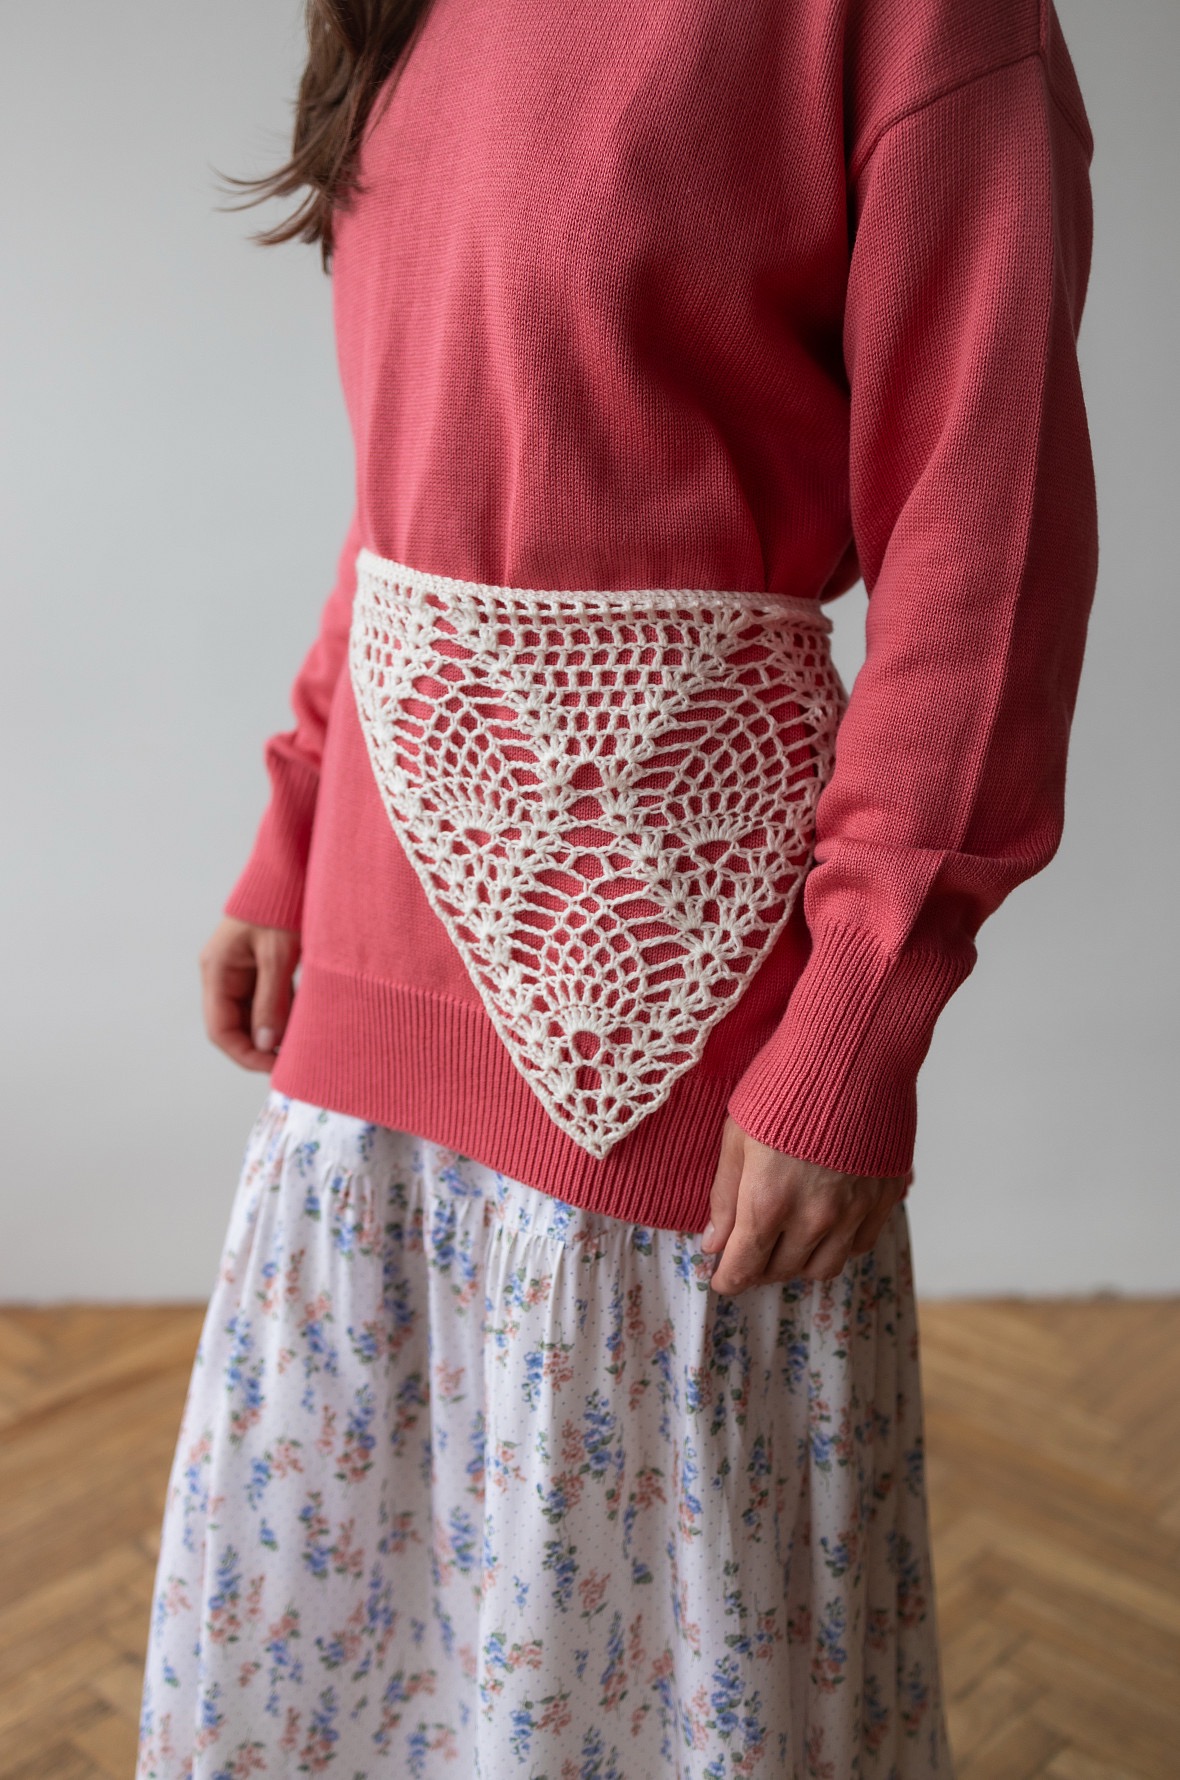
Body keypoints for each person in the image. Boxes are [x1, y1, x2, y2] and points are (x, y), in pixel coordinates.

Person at [135, 0, 1097, 1773]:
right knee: (355, 1639)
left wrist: (862, 1018)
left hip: (666, 1014)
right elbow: (418, 477)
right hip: (376, 958)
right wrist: (296, 819)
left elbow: (988, 543)